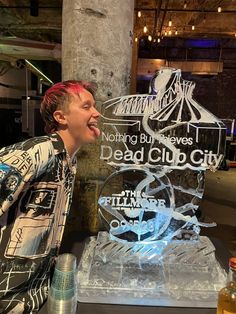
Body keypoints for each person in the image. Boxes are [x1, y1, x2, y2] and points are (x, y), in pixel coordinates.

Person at [0, 80, 100, 313]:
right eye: (86, 107)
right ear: (61, 117)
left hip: (32, 296)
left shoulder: (68, 160)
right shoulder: (36, 152)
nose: (96, 113)